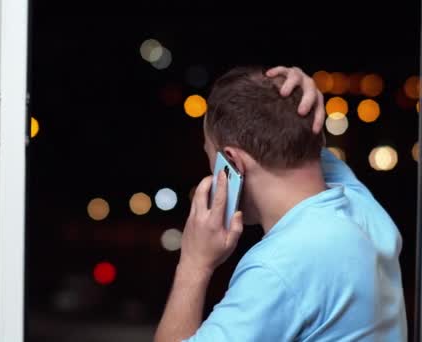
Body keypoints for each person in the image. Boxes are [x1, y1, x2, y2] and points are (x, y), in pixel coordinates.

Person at [154, 66, 407, 341]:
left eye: (211, 156)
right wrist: (300, 105)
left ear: (233, 162)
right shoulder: (362, 208)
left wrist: (194, 265)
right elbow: (299, 143)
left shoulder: (279, 268)